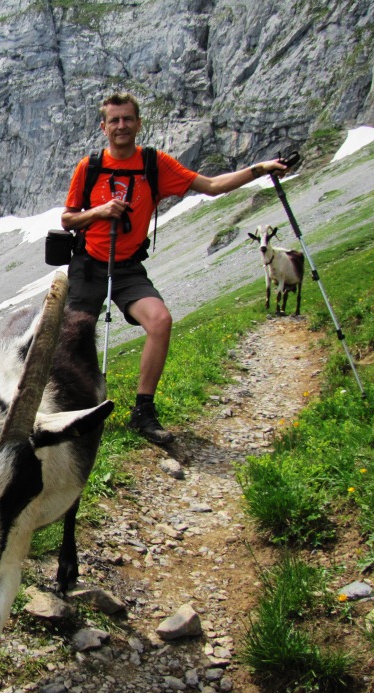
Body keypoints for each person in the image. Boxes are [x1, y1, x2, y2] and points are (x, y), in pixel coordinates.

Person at [62, 92, 288, 445]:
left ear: (138, 123)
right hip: (88, 264)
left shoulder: (155, 164)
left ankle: (143, 411)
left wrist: (260, 168)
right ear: (103, 127)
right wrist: (101, 212)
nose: (121, 126)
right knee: (74, 338)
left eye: (128, 119)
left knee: (160, 320)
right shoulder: (89, 168)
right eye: (114, 120)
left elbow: (212, 186)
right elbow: (68, 218)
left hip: (128, 268)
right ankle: (70, 413)